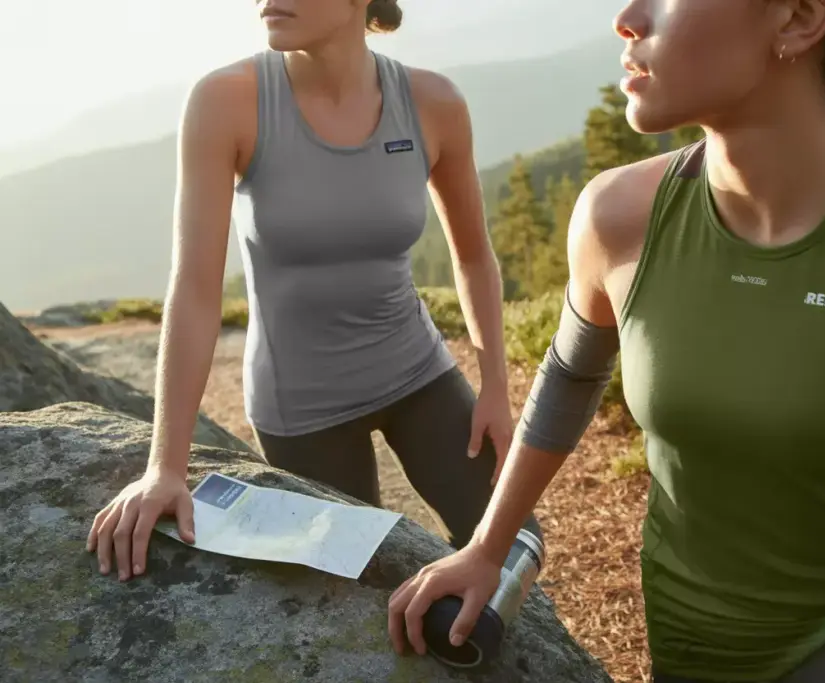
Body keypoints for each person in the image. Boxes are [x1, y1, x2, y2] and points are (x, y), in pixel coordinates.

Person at [387, 0, 825, 681]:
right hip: (688, 655)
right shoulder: (617, 216)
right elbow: (569, 379)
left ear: (800, 19)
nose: (627, 18)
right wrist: (488, 545)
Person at [85, 0, 541, 583]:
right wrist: (165, 466)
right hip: (303, 408)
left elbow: (474, 256)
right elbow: (195, 288)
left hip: (417, 373)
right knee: (357, 585)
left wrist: (495, 387)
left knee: (517, 545)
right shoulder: (226, 100)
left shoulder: (433, 103)